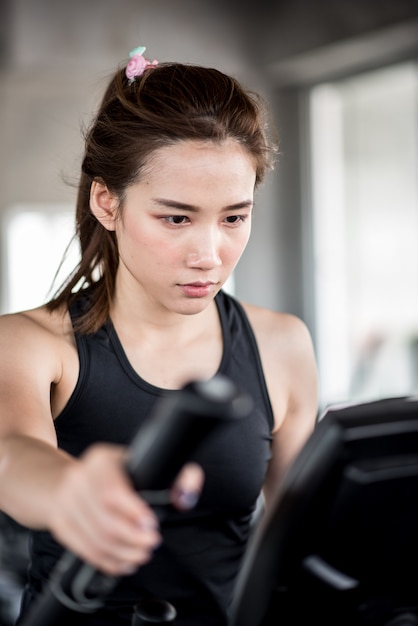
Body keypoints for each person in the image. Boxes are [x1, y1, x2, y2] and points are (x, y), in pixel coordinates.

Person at [0, 46, 318, 626]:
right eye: (176, 217)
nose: (209, 255)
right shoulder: (29, 345)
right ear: (107, 202)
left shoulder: (282, 345)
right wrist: (71, 491)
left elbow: (307, 542)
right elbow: (11, 459)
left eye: (233, 217)